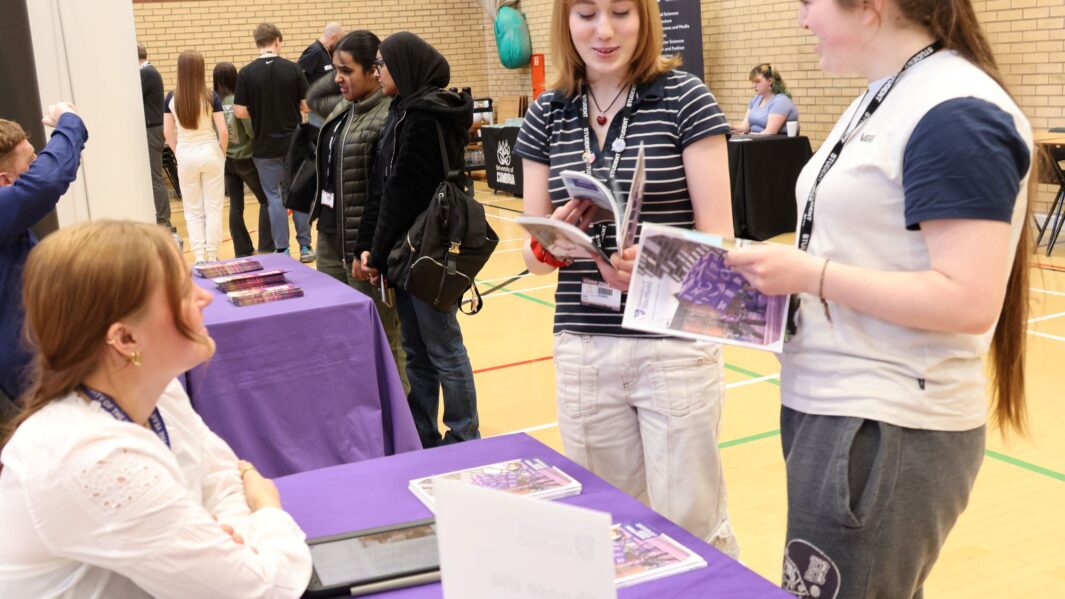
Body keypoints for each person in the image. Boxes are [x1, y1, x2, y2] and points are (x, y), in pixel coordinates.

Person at [725, 0, 1033, 596]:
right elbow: (866, 255)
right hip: (840, 411)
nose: (801, 20)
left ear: (870, 8)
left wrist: (809, 274)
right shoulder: (892, 90)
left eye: (809, 3)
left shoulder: (952, 109)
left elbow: (967, 299)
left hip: (885, 424)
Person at [513, 0, 739, 556]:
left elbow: (723, 241)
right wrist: (553, 242)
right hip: (585, 344)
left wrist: (658, 266)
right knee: (609, 528)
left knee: (691, 525)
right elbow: (532, 257)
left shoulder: (686, 99)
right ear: (566, 20)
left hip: (674, 344)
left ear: (646, 19)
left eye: (621, 12)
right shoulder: (547, 112)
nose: (605, 31)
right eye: (587, 14)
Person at [0, 220, 312, 597]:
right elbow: (267, 588)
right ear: (126, 338)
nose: (204, 297)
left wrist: (225, 544)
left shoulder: (157, 393)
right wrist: (266, 511)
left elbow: (223, 480)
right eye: (181, 290)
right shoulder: (92, 459)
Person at [353, 32, 479, 448]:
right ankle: (421, 432)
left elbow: (404, 192)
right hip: (402, 252)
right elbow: (380, 188)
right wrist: (367, 247)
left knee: (442, 346)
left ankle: (463, 434)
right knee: (417, 348)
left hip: (428, 251)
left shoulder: (426, 116)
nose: (377, 72)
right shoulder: (401, 112)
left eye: (382, 65)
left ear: (404, 67)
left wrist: (379, 247)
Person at [309, 31, 409, 393]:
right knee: (339, 334)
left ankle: (400, 417)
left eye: (346, 70)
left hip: (362, 248)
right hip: (331, 240)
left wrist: (370, 248)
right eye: (334, 69)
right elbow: (313, 97)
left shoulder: (386, 114)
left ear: (373, 71)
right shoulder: (344, 108)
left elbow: (385, 193)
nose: (337, 78)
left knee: (382, 335)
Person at [0, 104, 86, 426]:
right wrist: (71, 123)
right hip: (15, 380)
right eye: (31, 164)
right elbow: (47, 182)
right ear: (6, 181)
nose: (38, 167)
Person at [234, 23, 315, 262]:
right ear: (277, 40)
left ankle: (283, 249)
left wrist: (259, 112)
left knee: (274, 197)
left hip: (264, 146)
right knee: (298, 192)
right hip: (293, 143)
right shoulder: (293, 69)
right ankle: (306, 247)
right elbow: (306, 105)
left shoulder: (246, 73)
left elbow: (238, 111)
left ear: (257, 42)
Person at [164, 49, 228, 264]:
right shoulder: (212, 96)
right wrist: (222, 154)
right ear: (201, 69)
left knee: (192, 210)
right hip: (211, 151)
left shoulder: (171, 98)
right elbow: (224, 131)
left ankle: (199, 256)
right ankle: (213, 255)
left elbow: (167, 133)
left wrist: (178, 151)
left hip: (186, 153)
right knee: (214, 208)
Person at [214, 61, 275, 257]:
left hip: (226, 160)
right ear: (235, 78)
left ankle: (242, 249)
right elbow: (250, 131)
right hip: (246, 158)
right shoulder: (238, 102)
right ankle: (266, 245)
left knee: (236, 204)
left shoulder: (214, 103)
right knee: (266, 200)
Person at [138, 43, 172, 231]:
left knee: (155, 177)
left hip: (152, 129)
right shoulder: (148, 72)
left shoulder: (147, 74)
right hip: (152, 128)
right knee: (153, 176)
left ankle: (163, 220)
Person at [732, 63, 799, 135]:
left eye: (757, 81)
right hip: (757, 141)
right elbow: (745, 127)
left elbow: (769, 132)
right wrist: (728, 128)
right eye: (753, 82)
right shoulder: (756, 99)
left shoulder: (781, 101)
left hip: (775, 144)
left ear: (770, 81)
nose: (754, 86)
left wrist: (750, 135)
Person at [299, 22, 344, 128]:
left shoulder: (327, 52)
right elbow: (297, 73)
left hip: (328, 108)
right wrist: (304, 99)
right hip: (317, 110)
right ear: (333, 37)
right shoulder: (315, 51)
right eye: (339, 41)